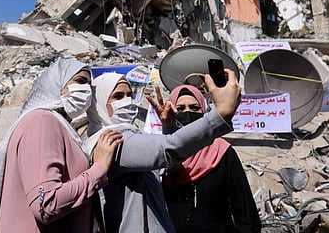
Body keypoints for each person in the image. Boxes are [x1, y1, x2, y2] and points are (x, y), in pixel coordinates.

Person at [83, 68, 241, 233]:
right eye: (117, 96)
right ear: (98, 103)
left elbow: (165, 167)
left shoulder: (130, 136)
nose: (127, 101)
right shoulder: (111, 141)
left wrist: (170, 127)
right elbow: (167, 150)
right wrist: (220, 114)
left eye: (129, 95)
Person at [0, 58, 123, 233]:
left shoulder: (59, 125)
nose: (86, 91)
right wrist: (98, 170)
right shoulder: (42, 121)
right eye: (80, 81)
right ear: (57, 84)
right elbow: (45, 204)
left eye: (89, 86)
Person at [159, 84, 262, 233]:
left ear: (204, 110)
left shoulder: (222, 151)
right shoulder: (161, 152)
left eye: (194, 108)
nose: (187, 113)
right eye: (180, 109)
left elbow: (243, 206)